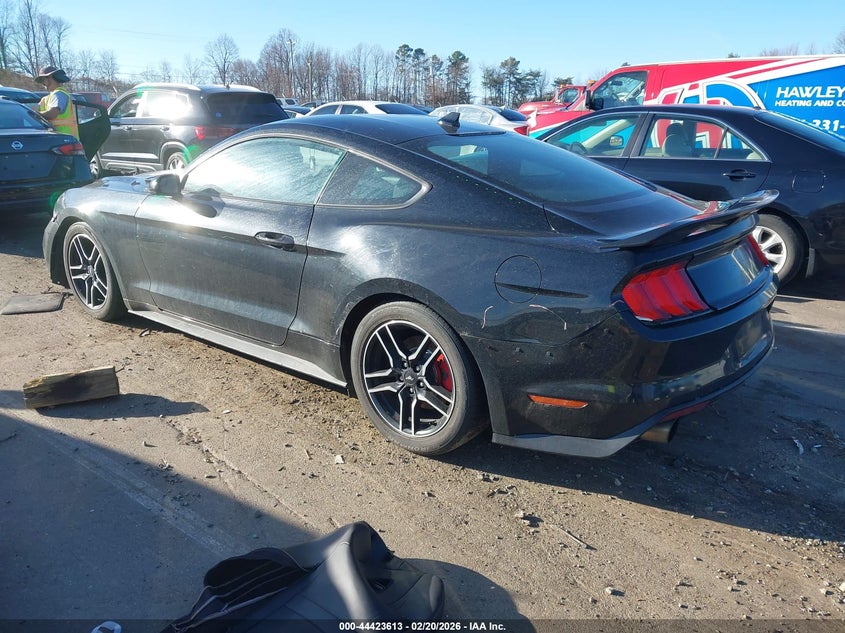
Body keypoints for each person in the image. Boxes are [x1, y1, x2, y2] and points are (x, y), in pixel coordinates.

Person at [36, 65, 79, 139]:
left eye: (43, 79)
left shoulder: (59, 94)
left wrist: (34, 114)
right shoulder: (47, 98)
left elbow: (52, 114)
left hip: (65, 141)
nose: (43, 83)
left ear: (49, 77)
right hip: (57, 140)